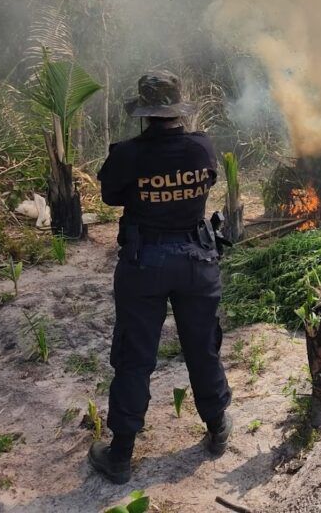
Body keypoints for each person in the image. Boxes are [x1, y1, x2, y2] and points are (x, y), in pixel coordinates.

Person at [88, 72, 232, 485]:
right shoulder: (201, 146)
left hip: (144, 262)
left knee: (135, 356)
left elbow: (111, 196)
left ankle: (120, 456)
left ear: (145, 113)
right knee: (203, 346)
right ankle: (217, 428)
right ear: (177, 109)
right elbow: (209, 181)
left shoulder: (129, 154)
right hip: (196, 261)